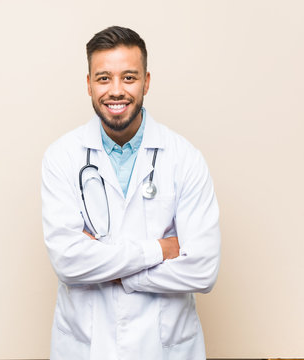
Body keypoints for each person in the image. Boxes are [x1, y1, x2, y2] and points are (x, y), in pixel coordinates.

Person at [41, 26, 221, 360]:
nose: (116, 90)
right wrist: (159, 249)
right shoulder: (62, 157)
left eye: (129, 77)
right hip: (86, 344)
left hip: (164, 346)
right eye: (104, 78)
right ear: (89, 84)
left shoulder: (184, 158)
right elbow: (68, 262)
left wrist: (115, 273)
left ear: (146, 82)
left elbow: (203, 269)